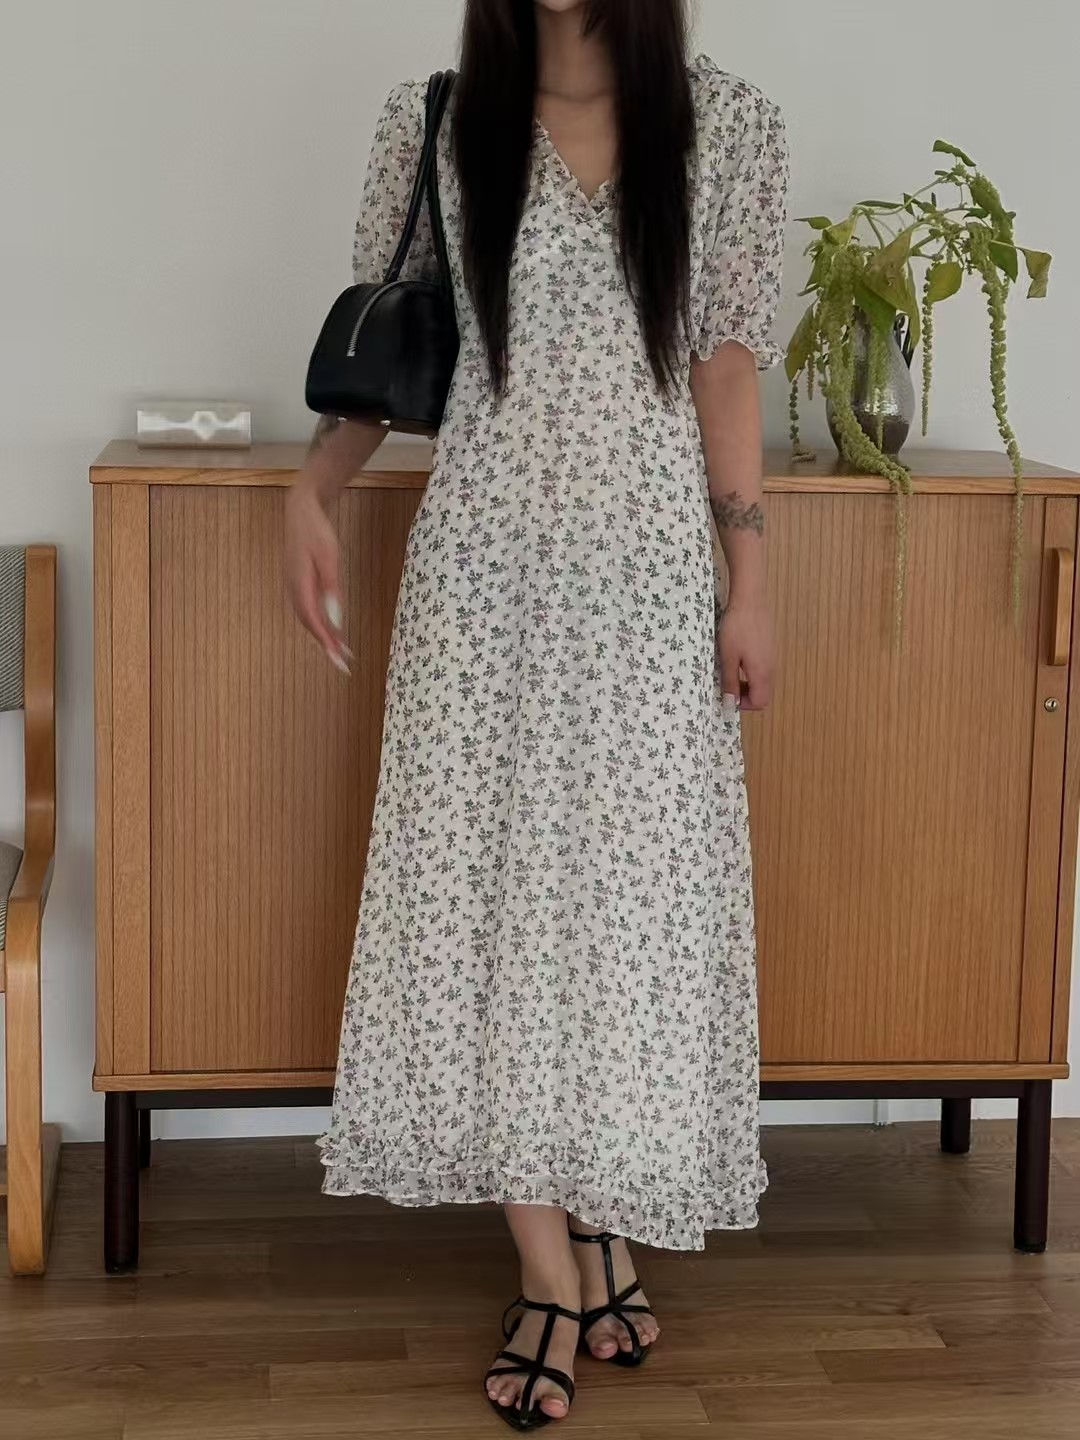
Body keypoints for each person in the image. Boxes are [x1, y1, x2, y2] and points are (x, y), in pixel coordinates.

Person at [285, 0, 788, 1428]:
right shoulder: (439, 123)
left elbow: (725, 366)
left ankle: (602, 1212)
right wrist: (312, 490)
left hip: (647, 582)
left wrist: (750, 581)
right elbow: (390, 351)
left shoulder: (728, 126)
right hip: (484, 576)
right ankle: (549, 1265)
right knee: (486, 906)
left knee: (622, 911)